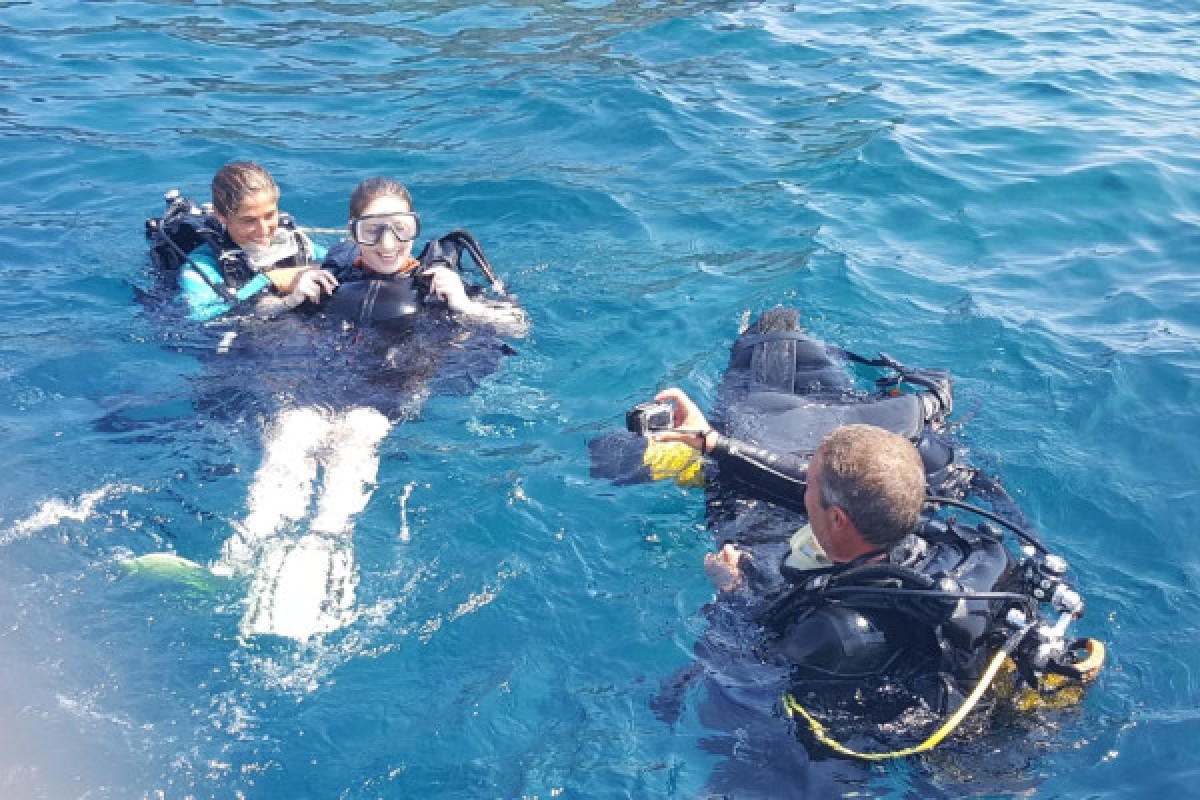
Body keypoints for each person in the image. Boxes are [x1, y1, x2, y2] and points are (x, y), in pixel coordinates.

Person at [320, 176, 528, 334]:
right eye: (372, 230)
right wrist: (291, 301)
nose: (388, 244)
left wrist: (465, 306)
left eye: (400, 228)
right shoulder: (333, 280)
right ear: (353, 233)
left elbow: (518, 327)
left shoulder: (436, 285)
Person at [175, 161, 335, 321]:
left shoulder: (294, 243)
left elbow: (337, 261)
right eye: (249, 221)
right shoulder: (201, 266)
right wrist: (272, 282)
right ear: (220, 216)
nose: (263, 230)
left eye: (269, 215)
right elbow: (200, 317)